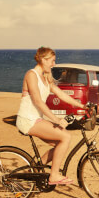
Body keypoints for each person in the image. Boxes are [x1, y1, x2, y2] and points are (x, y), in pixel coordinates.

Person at [16, 47, 82, 186]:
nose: (54, 64)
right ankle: (54, 175)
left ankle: (35, 168)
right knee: (66, 136)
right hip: (27, 119)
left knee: (59, 143)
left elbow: (61, 94)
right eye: (52, 61)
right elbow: (38, 102)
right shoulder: (31, 75)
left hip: (36, 120)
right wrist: (56, 119)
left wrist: (81, 106)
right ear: (43, 60)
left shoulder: (46, 78)